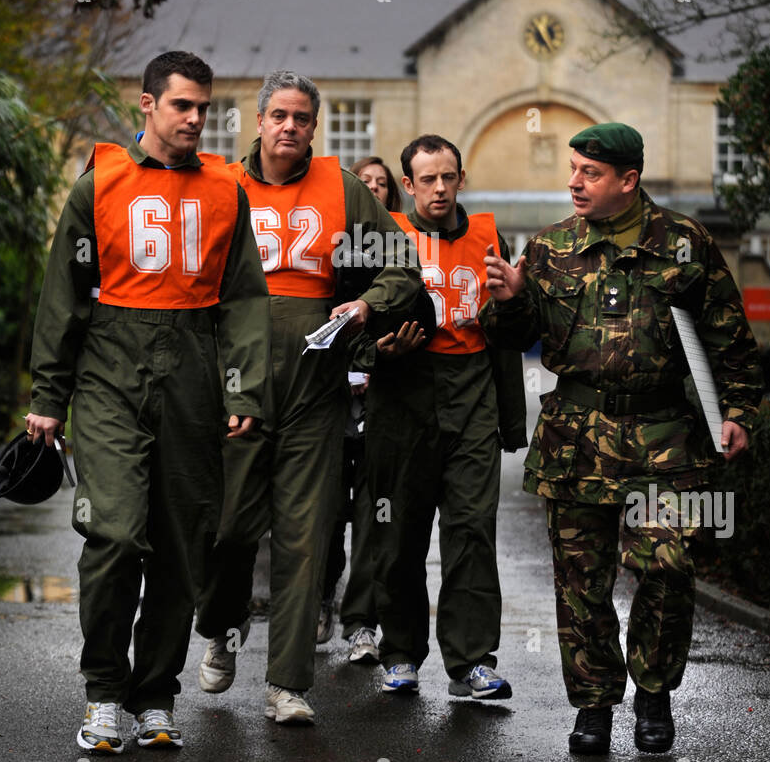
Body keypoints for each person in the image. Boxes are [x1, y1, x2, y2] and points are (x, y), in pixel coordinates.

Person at [481, 123, 763, 755]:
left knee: (668, 568)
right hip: (575, 438)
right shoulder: (550, 247)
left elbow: (729, 336)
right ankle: (595, 705)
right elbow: (512, 336)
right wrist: (506, 300)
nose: (574, 182)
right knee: (581, 578)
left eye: (590, 173)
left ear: (628, 180)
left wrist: (739, 409)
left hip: (663, 440)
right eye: (573, 168)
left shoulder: (684, 242)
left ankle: (654, 693)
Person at [26, 51, 270, 753]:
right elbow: (62, 296)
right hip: (110, 368)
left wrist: (243, 386)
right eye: (181, 106)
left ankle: (155, 694)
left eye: (202, 107)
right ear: (147, 105)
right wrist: (49, 394)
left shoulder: (228, 190)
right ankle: (104, 691)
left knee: (180, 545)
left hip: (193, 374)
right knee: (114, 533)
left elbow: (246, 299)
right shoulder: (98, 183)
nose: (195, 118)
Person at [195, 72, 422, 724]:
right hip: (238, 383)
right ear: (258, 122)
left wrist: (364, 304)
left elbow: (401, 266)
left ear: (312, 127)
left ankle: (287, 683)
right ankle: (218, 625)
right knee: (233, 528)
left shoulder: (342, 188)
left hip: (314, 390)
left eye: (302, 117)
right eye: (279, 115)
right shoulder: (222, 187)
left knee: (306, 536)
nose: (290, 126)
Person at [358, 134, 527, 700]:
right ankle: (400, 651)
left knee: (472, 529)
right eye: (426, 179)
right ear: (407, 185)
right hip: (404, 396)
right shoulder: (388, 238)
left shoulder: (487, 235)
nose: (438, 188)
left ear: (460, 179)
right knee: (400, 530)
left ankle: (472, 660)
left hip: (471, 391)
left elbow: (508, 329)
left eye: (447, 177)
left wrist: (511, 418)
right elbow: (355, 321)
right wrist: (381, 350)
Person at [317, 156, 403, 663]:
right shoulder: (325, 249)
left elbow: (412, 318)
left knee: (374, 518)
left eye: (380, 185)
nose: (371, 190)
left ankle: (362, 624)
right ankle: (322, 597)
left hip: (381, 406)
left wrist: (377, 365)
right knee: (325, 515)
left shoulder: (397, 257)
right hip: (329, 405)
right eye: (362, 183)